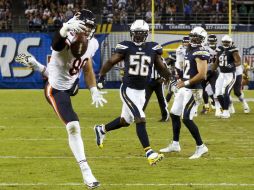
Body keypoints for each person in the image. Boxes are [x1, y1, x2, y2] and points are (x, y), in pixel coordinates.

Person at [15, 9, 106, 189]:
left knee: (56, 73)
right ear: (75, 24)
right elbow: (57, 44)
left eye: (89, 27)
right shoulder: (66, 38)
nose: (87, 30)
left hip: (71, 85)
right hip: (55, 89)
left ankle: (36, 65)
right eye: (84, 26)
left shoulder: (93, 43)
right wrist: (64, 29)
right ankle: (86, 171)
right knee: (73, 127)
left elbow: (87, 68)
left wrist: (94, 89)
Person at [94, 19, 171, 165]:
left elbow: (160, 66)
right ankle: (149, 153)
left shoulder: (153, 48)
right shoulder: (126, 47)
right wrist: (102, 77)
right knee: (140, 117)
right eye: (136, 34)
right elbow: (111, 62)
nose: (138, 37)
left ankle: (101, 129)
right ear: (131, 34)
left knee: (125, 121)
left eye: (141, 34)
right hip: (128, 89)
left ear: (147, 34)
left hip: (141, 91)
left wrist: (170, 77)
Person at [160, 27, 209, 159]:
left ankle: (201, 146)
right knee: (174, 114)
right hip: (185, 87)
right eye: (192, 36)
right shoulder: (189, 49)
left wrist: (185, 83)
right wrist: (179, 79)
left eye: (197, 38)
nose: (193, 39)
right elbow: (185, 69)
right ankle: (175, 144)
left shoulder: (201, 52)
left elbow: (202, 74)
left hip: (194, 89)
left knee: (186, 118)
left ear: (202, 40)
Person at [212, 35, 240, 118]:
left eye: (227, 42)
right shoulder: (219, 49)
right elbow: (217, 61)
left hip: (230, 74)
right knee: (218, 93)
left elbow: (238, 61)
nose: (226, 43)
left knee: (225, 91)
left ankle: (226, 112)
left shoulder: (233, 50)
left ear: (230, 42)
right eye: (224, 42)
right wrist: (212, 70)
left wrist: (232, 64)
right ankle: (224, 110)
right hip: (221, 74)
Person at [142, 58, 169, 122]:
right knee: (144, 99)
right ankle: (139, 115)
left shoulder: (160, 59)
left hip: (158, 81)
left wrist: (163, 78)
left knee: (161, 99)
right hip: (148, 82)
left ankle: (165, 117)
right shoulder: (146, 58)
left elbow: (166, 68)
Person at [200, 34, 219, 115]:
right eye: (211, 41)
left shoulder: (218, 49)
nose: (211, 42)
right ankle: (207, 106)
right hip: (207, 71)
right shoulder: (204, 48)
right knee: (203, 89)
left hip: (211, 71)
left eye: (212, 41)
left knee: (215, 89)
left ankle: (216, 107)